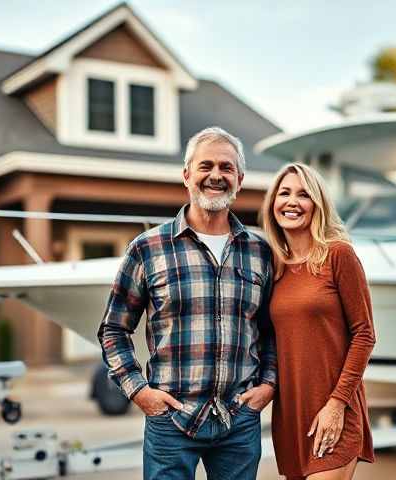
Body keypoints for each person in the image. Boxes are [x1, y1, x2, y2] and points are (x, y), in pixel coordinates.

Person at [98, 127, 277, 480]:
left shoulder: (260, 252)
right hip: (170, 420)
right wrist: (140, 392)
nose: (215, 176)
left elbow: (271, 330)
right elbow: (114, 329)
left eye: (226, 168)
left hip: (238, 419)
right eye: (205, 166)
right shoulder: (148, 248)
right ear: (187, 175)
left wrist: (269, 385)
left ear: (239, 179)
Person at [261, 163, 376, 480]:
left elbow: (364, 334)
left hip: (334, 409)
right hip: (291, 415)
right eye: (284, 193)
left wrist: (336, 404)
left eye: (304, 194)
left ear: (318, 204)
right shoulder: (274, 267)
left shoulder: (338, 255)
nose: (292, 202)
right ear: (273, 204)